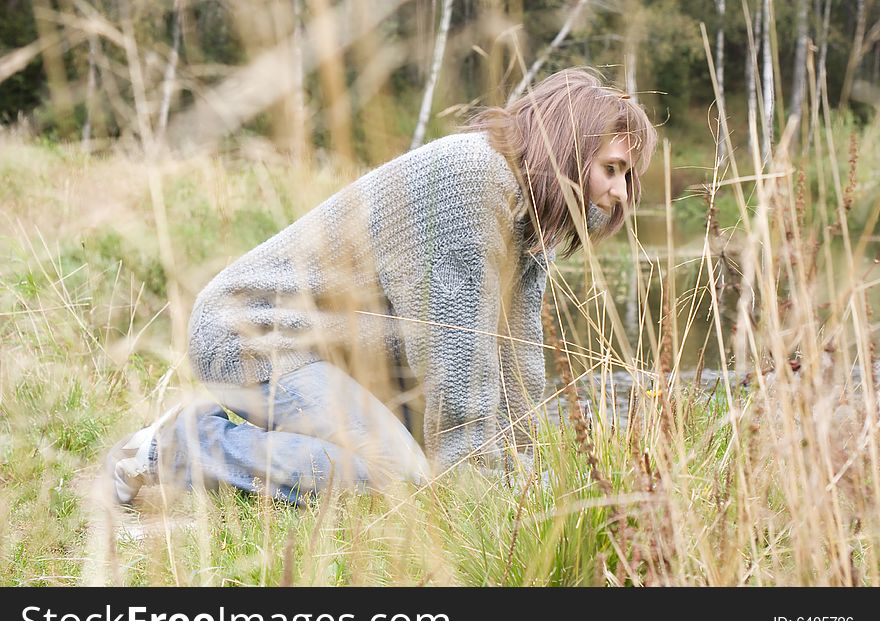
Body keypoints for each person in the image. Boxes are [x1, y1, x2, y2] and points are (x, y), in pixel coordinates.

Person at [107, 67, 657, 505]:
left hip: (345, 355)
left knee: (423, 469)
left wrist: (522, 480)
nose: (622, 194)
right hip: (256, 336)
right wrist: (475, 497)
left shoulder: (529, 217)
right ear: (569, 145)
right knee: (400, 477)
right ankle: (180, 444)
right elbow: (456, 352)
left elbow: (516, 360)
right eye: (612, 169)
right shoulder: (470, 177)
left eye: (629, 178)